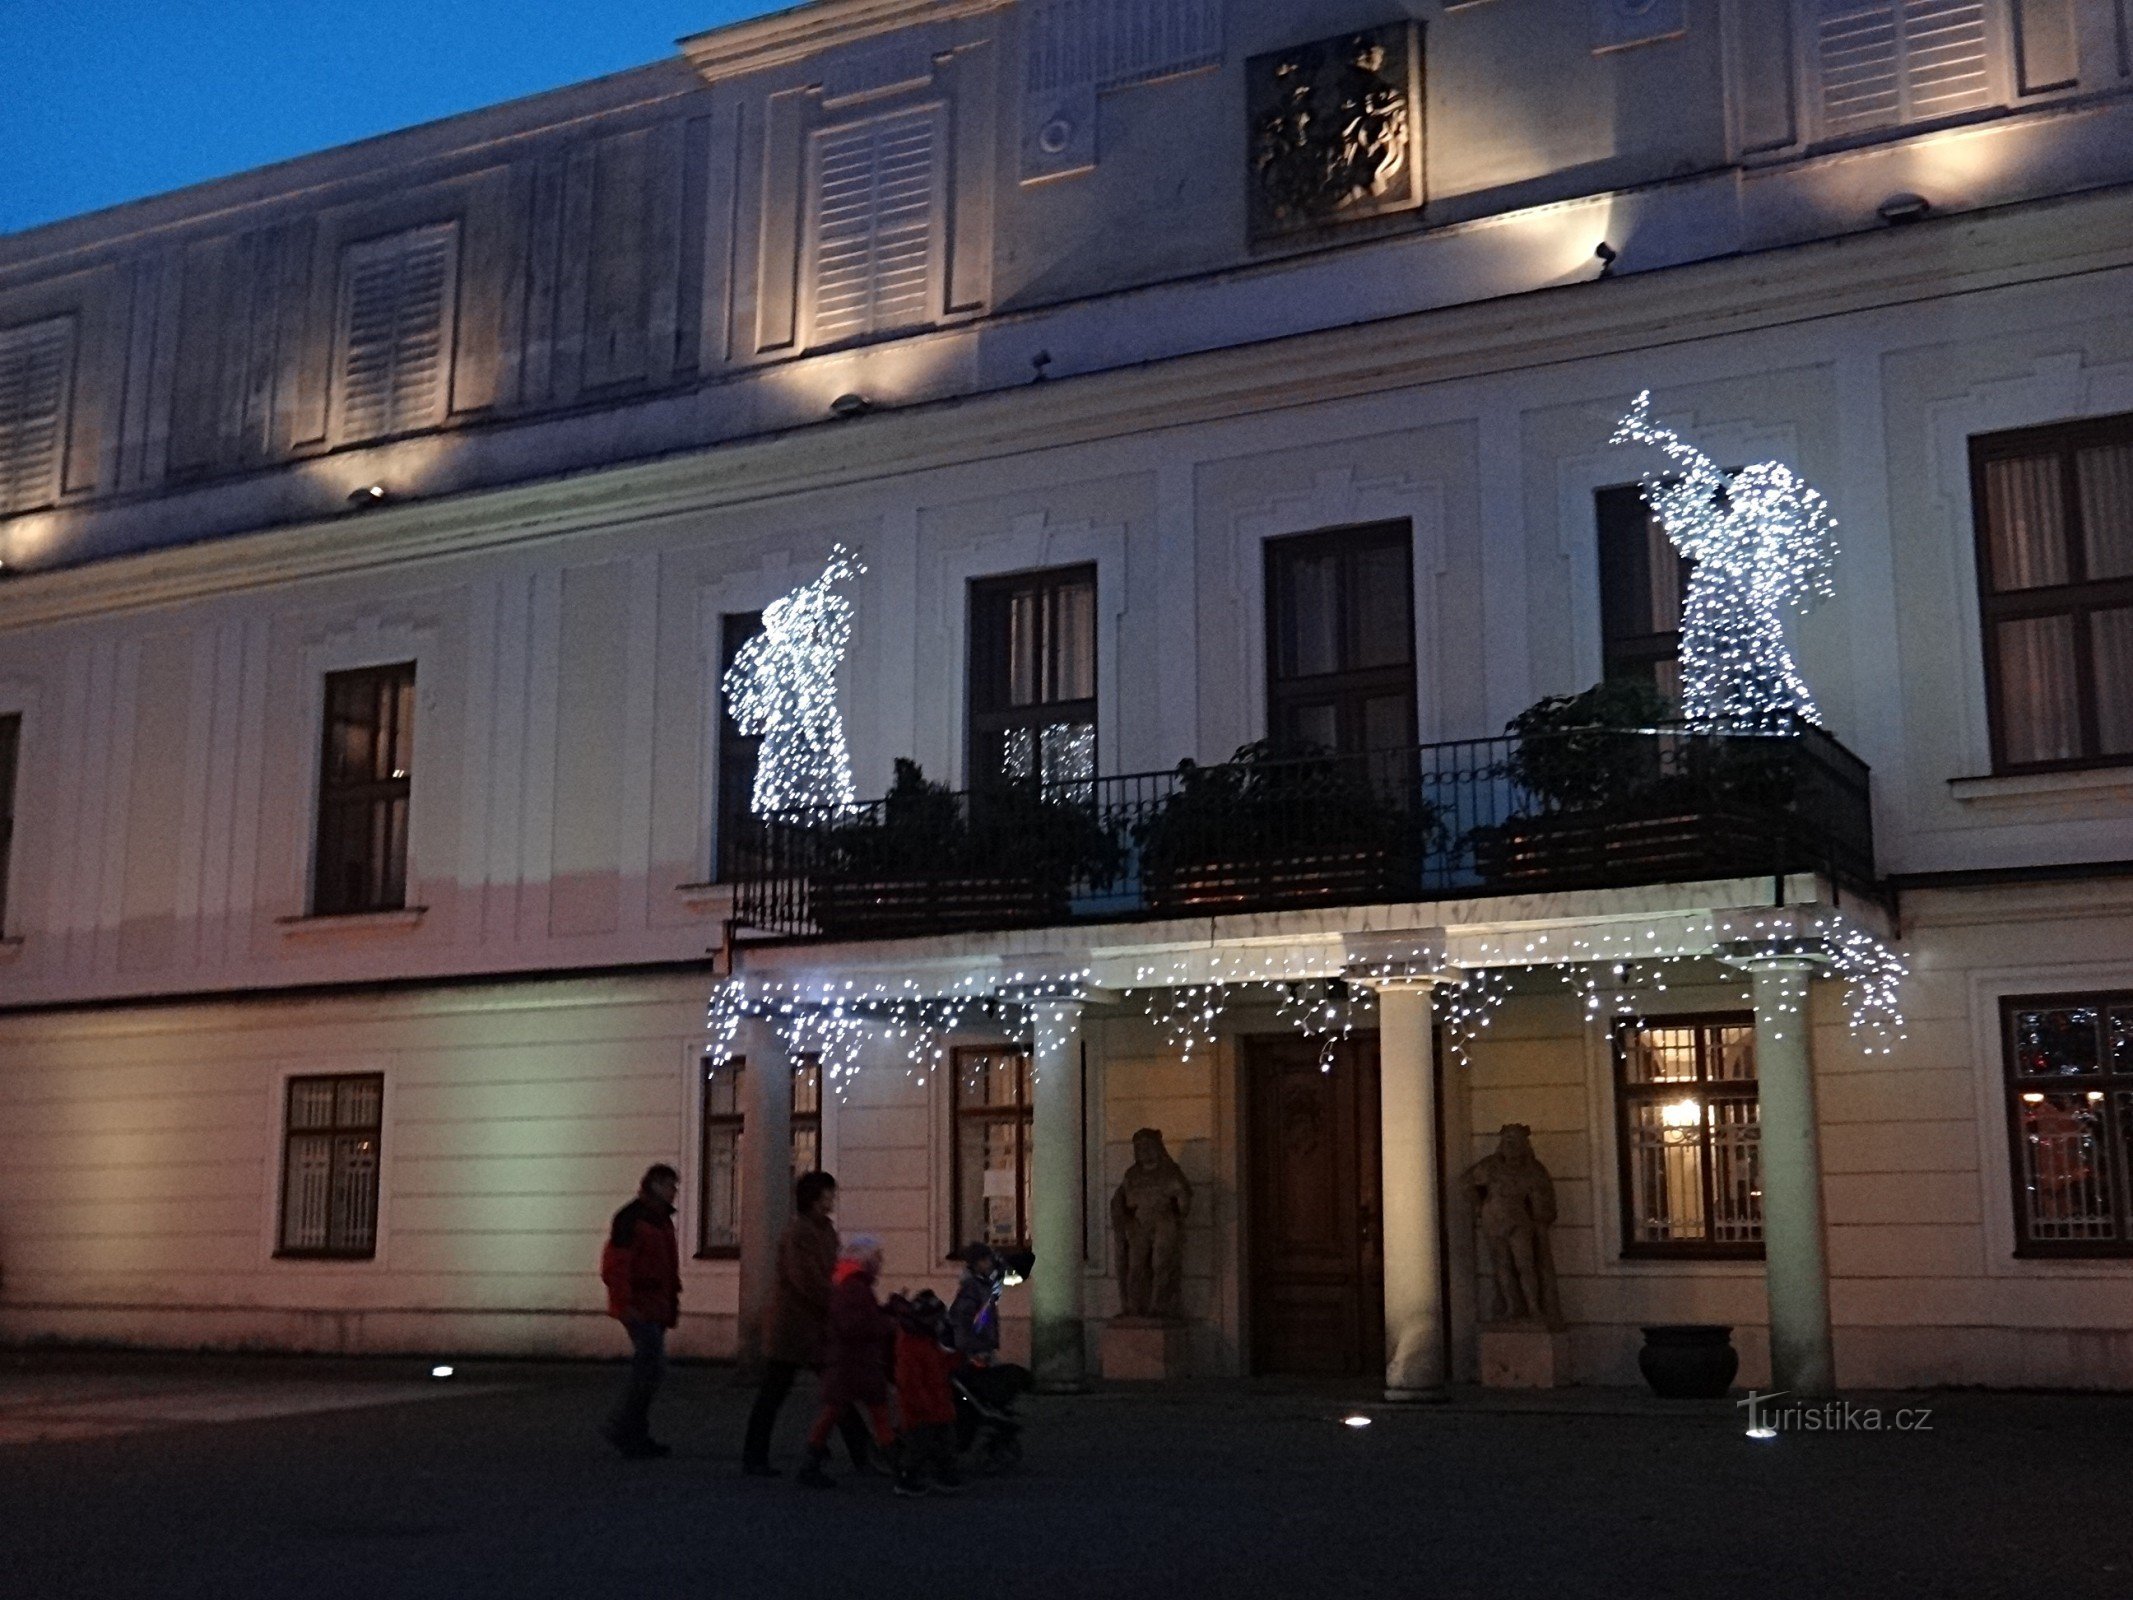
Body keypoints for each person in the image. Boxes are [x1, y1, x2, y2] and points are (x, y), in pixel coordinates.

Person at [741, 1170, 871, 1476]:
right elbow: (806, 1280)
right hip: (795, 1326)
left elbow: (831, 1271)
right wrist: (838, 1300)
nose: (832, 1199)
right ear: (814, 1198)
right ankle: (754, 1455)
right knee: (777, 1390)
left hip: (815, 1325)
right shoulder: (799, 1234)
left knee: (834, 1387)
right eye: (828, 1194)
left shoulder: (825, 1230)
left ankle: (864, 1453)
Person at [797, 1236, 905, 1491]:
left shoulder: (850, 1285)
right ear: (865, 1261)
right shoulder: (855, 1288)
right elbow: (854, 1324)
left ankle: (811, 1463)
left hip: (850, 1363)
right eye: (877, 1259)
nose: (880, 1264)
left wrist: (885, 1312)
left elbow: (857, 1319)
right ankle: (900, 1470)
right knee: (870, 1414)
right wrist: (886, 1324)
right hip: (854, 1363)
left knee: (838, 1412)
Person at [599, 1163, 682, 1459]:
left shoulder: (654, 1219)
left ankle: (633, 1431)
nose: (675, 1192)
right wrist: (625, 1304)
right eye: (671, 1186)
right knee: (650, 1367)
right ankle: (624, 1426)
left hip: (652, 1304)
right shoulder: (636, 1219)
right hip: (641, 1305)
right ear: (657, 1185)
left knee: (649, 1368)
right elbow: (616, 1267)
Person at [889, 1289, 961, 1495]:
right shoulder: (912, 1346)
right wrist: (925, 1406)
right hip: (922, 1409)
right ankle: (906, 1479)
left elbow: (939, 1365)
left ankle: (945, 1475)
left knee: (944, 1442)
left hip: (937, 1403)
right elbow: (910, 1382)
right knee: (918, 1447)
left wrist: (957, 1358)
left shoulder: (925, 1340)